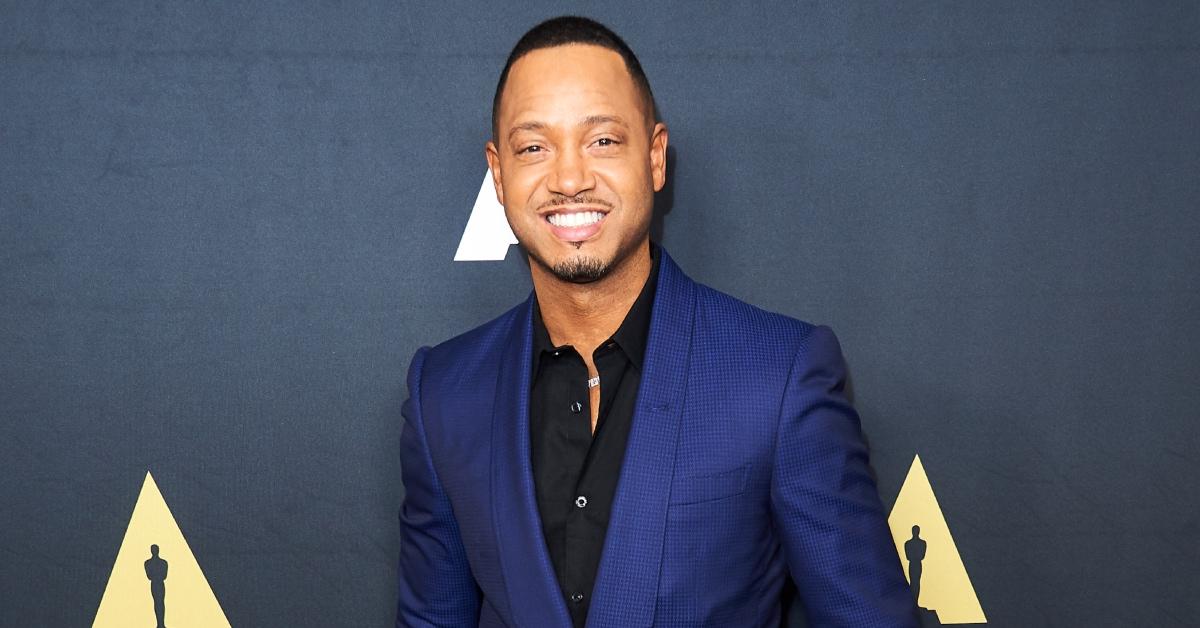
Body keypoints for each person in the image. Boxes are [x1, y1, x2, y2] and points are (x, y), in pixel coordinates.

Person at [396, 15, 917, 627]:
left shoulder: (778, 378)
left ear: (655, 158)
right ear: (499, 174)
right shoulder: (444, 393)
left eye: (603, 141)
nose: (569, 178)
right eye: (534, 146)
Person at [144, 544, 168, 628]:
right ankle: (159, 623)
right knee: (157, 602)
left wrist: (156, 576)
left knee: (160, 602)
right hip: (155, 583)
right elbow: (149, 576)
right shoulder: (148, 563)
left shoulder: (163, 562)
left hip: (158, 583)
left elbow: (164, 576)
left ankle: (161, 623)